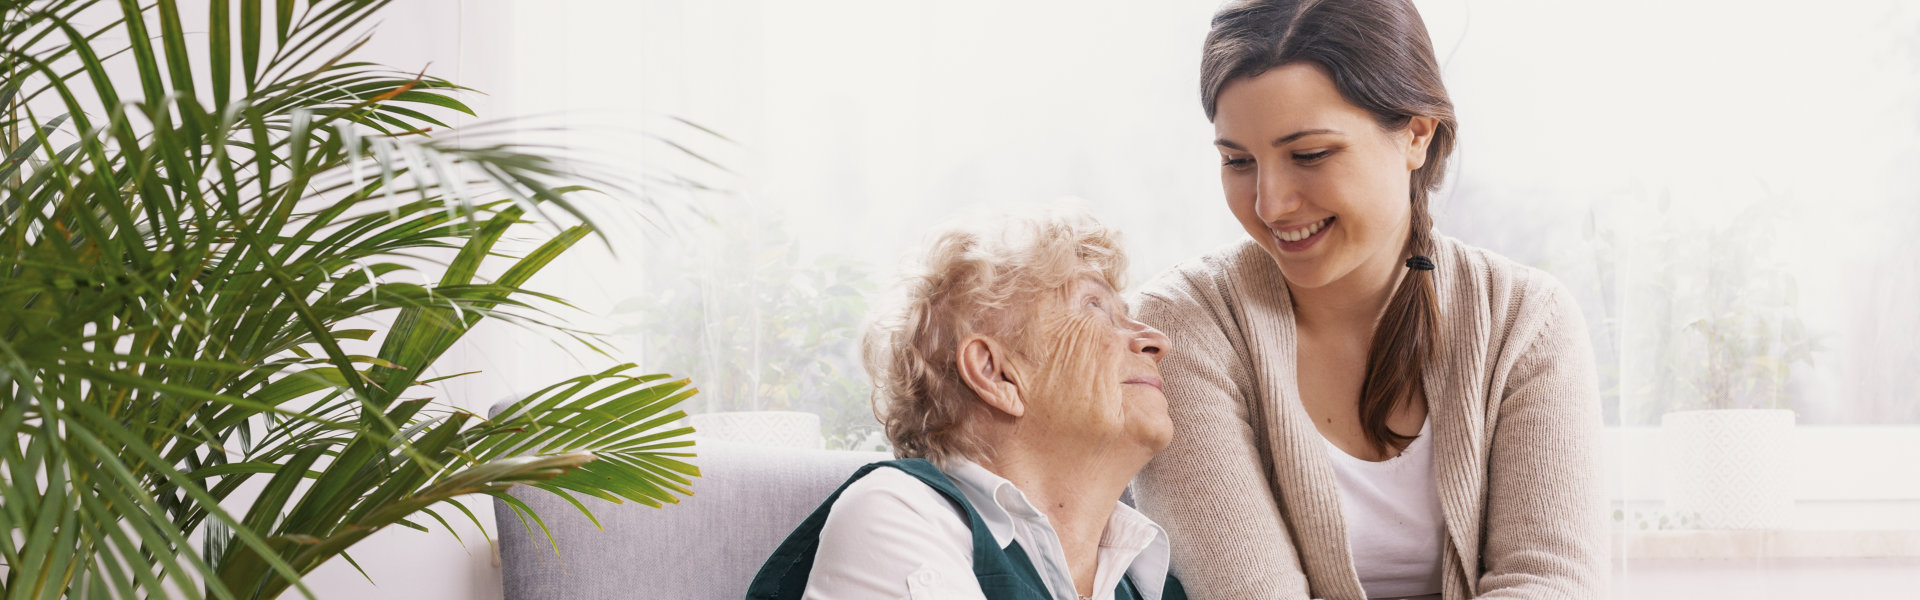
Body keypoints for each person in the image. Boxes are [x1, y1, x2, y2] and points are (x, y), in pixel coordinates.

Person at [1129, 1, 1606, 599]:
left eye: (1310, 155)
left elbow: (1550, 583)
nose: (1271, 204)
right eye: (1238, 162)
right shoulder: (1182, 327)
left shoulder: (1526, 321)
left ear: (1415, 134)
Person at [747, 209, 1188, 600]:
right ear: (995, 373)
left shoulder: (1146, 576)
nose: (1156, 341)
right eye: (1094, 307)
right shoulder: (898, 514)